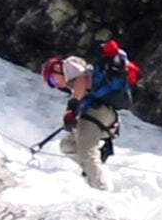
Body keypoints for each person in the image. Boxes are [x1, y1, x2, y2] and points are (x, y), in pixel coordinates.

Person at [41, 54, 117, 191]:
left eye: (52, 79)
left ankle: (100, 188)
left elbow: (83, 78)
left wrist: (72, 107)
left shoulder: (68, 66)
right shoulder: (71, 78)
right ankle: (94, 172)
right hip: (99, 114)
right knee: (67, 145)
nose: (55, 85)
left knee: (87, 153)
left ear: (57, 69)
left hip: (96, 112)